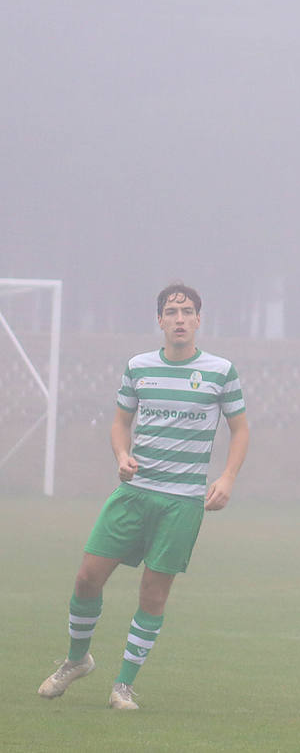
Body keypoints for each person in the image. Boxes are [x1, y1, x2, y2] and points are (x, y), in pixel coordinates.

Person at [38, 282, 249, 711]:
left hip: (182, 503)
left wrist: (226, 477)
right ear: (159, 319)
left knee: (152, 594)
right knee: (86, 577)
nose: (179, 319)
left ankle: (123, 686)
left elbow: (240, 429)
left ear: (199, 319)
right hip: (133, 495)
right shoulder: (138, 367)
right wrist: (122, 454)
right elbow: (120, 423)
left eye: (187, 311)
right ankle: (77, 660)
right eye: (171, 312)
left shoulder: (220, 371)